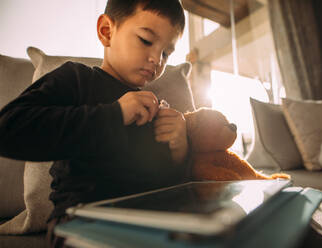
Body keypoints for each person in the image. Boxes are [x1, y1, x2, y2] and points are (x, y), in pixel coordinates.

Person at [0, 0, 189, 247]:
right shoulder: (77, 79)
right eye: (145, 40)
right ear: (106, 31)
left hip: (148, 222)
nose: (157, 59)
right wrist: (115, 114)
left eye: (166, 53)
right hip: (81, 221)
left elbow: (166, 184)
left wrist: (179, 150)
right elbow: (9, 128)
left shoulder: (156, 107)